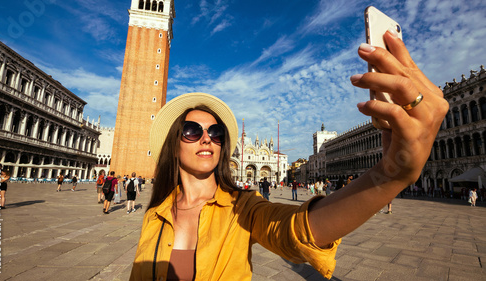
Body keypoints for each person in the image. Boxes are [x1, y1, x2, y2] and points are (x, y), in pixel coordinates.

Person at [130, 29, 448, 280]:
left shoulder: (243, 208)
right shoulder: (156, 211)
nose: (206, 139)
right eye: (191, 131)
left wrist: (390, 174)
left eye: (216, 133)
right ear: (174, 143)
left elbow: (297, 230)